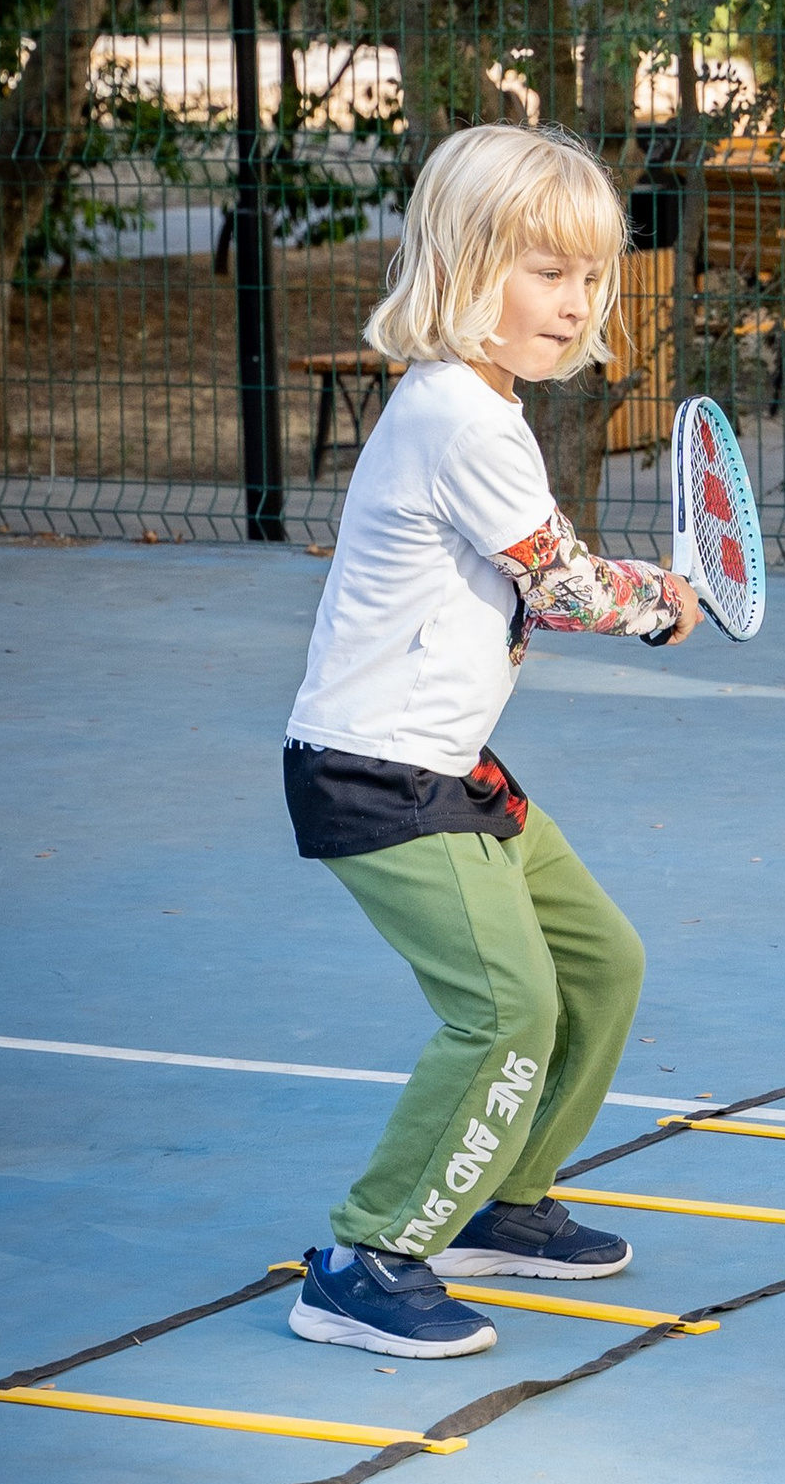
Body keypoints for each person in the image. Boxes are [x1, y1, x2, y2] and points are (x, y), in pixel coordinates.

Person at [280, 125, 698, 1357]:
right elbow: (563, 585)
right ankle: (365, 1258)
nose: (574, 303)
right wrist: (657, 603)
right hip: (378, 776)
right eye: (544, 271)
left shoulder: (481, 411)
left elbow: (540, 579)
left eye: (589, 276)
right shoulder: (459, 417)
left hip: (453, 768)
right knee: (508, 1007)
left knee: (600, 965)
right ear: (465, 267)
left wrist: (635, 588)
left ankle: (503, 1204)